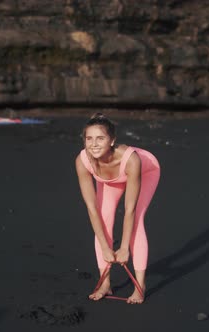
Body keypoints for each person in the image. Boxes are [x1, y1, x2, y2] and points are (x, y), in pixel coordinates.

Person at [75, 113, 161, 304]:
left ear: (112, 140)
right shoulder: (83, 161)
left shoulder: (132, 159)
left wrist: (123, 248)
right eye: (89, 138)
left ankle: (140, 286)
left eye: (100, 138)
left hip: (145, 171)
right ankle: (105, 283)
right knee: (104, 218)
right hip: (109, 179)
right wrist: (107, 249)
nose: (94, 144)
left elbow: (129, 209)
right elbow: (92, 208)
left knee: (136, 220)